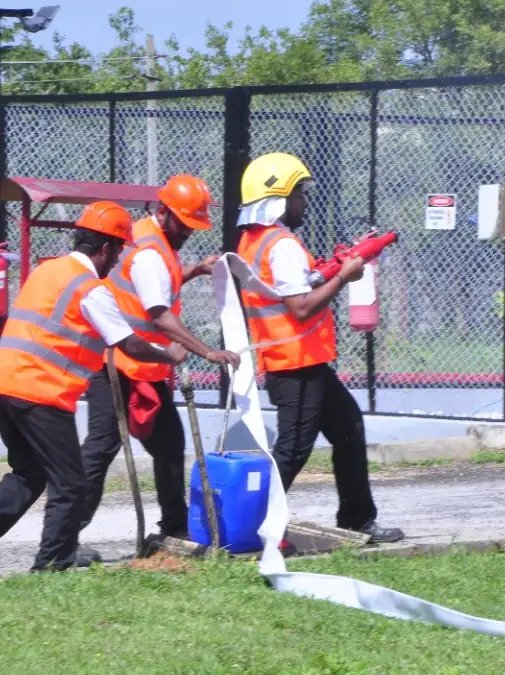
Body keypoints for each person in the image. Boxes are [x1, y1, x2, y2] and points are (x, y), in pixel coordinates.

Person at [0, 201, 188, 578]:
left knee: (29, 473)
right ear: (105, 248)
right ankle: (51, 564)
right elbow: (128, 344)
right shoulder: (90, 288)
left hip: (3, 387)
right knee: (70, 483)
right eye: (119, 250)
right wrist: (167, 353)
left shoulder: (47, 271)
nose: (118, 259)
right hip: (40, 393)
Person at [235, 152, 403, 544]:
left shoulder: (252, 241)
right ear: (280, 199)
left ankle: (357, 518)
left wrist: (329, 271)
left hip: (297, 362)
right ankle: (250, 527)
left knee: (348, 426)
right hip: (297, 366)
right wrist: (344, 276)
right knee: (292, 450)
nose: (304, 203)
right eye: (300, 195)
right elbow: (302, 307)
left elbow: (291, 291)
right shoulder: (283, 245)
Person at [77, 175, 240, 559]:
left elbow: (156, 287)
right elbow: (160, 313)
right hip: (118, 364)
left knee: (169, 444)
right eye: (184, 224)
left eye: (193, 226)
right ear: (164, 211)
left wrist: (195, 270)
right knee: (101, 448)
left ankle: (174, 528)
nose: (188, 233)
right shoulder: (149, 249)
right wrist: (207, 352)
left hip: (143, 365)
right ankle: (63, 536)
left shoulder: (154, 240)